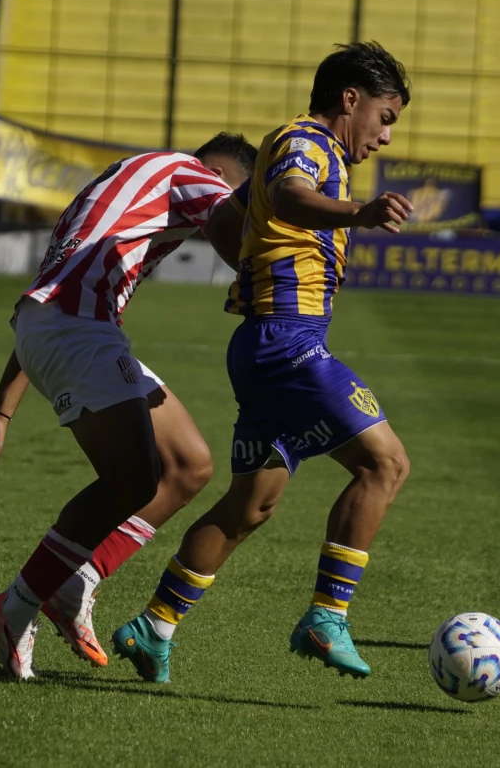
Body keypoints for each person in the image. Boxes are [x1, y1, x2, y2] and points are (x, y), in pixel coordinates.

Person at [111, 42, 414, 683]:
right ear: (350, 100)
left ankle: (154, 624)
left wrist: (250, 265)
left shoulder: (304, 148)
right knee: (386, 464)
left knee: (250, 507)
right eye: (385, 117)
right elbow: (288, 193)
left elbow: (238, 211)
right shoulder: (308, 142)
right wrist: (357, 213)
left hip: (261, 346)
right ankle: (327, 616)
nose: (386, 136)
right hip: (288, 344)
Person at [0, 133, 257, 679]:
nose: (228, 198)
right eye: (236, 189)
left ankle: (78, 582)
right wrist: (267, 282)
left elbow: (45, 299)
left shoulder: (128, 187)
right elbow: (228, 226)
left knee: (188, 465)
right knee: (133, 480)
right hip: (77, 331)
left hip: (62, 328)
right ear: (219, 172)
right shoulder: (187, 173)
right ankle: (13, 609)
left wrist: (1, 411)